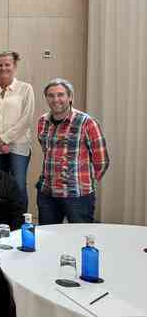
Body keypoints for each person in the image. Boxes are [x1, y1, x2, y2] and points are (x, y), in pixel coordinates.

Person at [36, 78, 109, 224]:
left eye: (60, 94)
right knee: (47, 240)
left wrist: (85, 182)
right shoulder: (43, 121)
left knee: (80, 239)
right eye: (51, 95)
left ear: (70, 97)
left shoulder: (86, 122)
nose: (56, 99)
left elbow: (101, 161)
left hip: (78, 196)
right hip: (48, 193)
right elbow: (47, 151)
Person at [0, 51, 34, 209]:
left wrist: (4, 139)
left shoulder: (25, 89)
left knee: (18, 184)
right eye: (0, 65)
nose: (3, 68)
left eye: (7, 64)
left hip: (18, 146)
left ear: (14, 66)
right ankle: (0, 220)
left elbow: (26, 119)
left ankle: (21, 222)